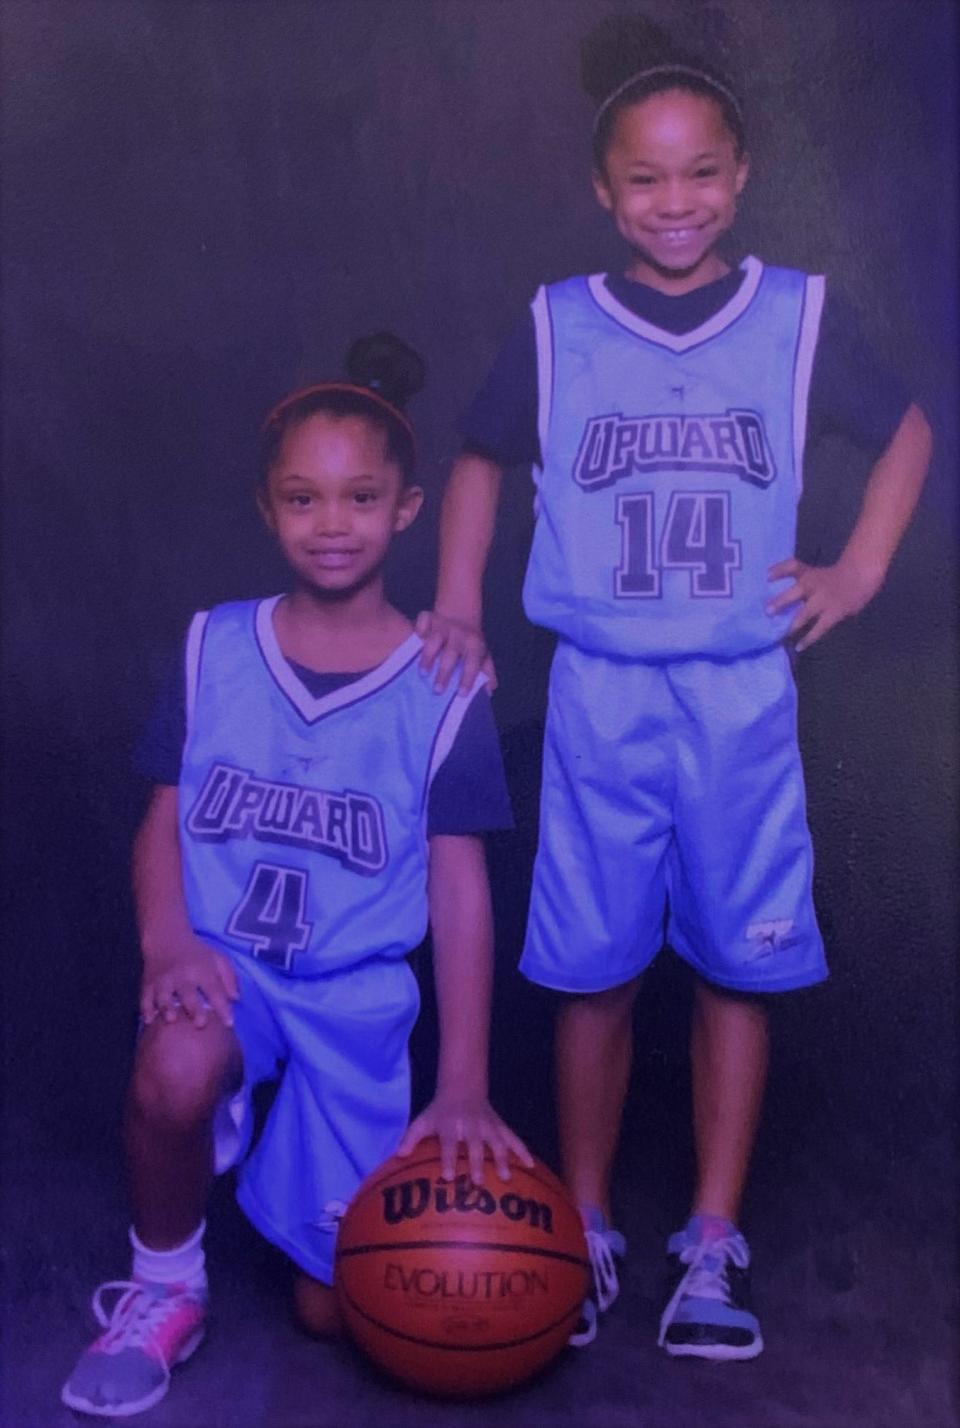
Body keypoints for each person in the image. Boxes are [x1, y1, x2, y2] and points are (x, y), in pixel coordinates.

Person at [416, 14, 932, 1361]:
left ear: (743, 171)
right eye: (644, 180)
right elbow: (477, 453)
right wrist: (458, 603)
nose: (675, 201)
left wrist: (859, 570)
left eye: (699, 172)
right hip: (599, 691)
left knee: (731, 970)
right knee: (590, 975)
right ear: (603, 192)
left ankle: (710, 1237)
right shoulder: (558, 325)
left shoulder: (798, 314)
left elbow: (911, 427)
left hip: (739, 696)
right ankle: (585, 1224)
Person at [62, 333, 530, 1418]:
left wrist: (464, 1080)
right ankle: (165, 1286)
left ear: (406, 510)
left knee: (341, 1312)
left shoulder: (444, 684)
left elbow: (461, 889)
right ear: (267, 509)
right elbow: (163, 819)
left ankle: (293, 1181)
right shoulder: (213, 647)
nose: (333, 525)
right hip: (230, 969)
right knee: (177, 1063)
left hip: (354, 996)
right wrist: (168, 942)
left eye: (360, 498)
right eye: (304, 499)